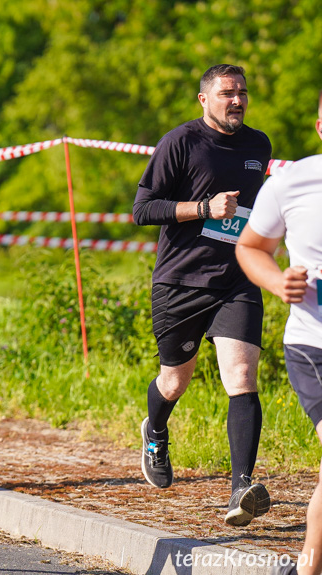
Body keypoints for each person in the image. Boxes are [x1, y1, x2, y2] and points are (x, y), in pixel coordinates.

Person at [132, 64, 273, 526]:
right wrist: (203, 209)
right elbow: (143, 209)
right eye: (227, 93)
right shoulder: (180, 142)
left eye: (243, 93)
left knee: (242, 376)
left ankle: (241, 488)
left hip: (237, 279)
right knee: (174, 380)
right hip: (181, 280)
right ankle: (155, 429)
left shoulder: (259, 145)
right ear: (204, 99)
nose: (237, 100)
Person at [236, 91, 322, 575]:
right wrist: (276, 280)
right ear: (319, 128)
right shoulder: (293, 181)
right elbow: (251, 247)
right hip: (315, 344)